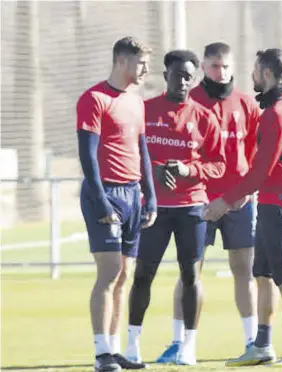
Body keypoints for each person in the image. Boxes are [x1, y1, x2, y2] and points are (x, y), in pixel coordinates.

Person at [204, 48, 282, 367]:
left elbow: (261, 169)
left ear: (266, 74)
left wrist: (227, 200)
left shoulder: (278, 112)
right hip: (271, 201)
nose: (251, 76)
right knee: (263, 274)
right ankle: (263, 345)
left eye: (255, 70)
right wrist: (241, 195)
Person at [155, 42, 261, 364]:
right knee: (191, 271)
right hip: (198, 200)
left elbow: (257, 154)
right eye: (214, 67)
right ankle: (181, 343)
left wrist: (243, 193)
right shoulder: (192, 101)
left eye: (226, 66)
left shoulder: (246, 103)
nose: (221, 72)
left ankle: (252, 342)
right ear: (203, 67)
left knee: (243, 269)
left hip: (238, 201)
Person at [124, 49, 226, 366]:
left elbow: (219, 165)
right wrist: (154, 170)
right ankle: (132, 345)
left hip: (191, 209)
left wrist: (188, 170)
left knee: (190, 277)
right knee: (143, 276)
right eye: (179, 74)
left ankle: (188, 347)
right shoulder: (145, 110)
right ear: (166, 73)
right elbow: (131, 152)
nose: (184, 81)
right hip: (154, 208)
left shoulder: (205, 117)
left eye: (190, 76)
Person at [76, 36, 156, 372]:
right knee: (109, 272)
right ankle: (100, 354)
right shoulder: (93, 99)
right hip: (105, 194)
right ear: (122, 61)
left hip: (132, 195)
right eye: (140, 63)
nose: (146, 69)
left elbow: (143, 151)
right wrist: (100, 201)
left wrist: (150, 195)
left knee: (125, 275)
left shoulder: (137, 102)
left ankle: (115, 349)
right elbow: (88, 155)